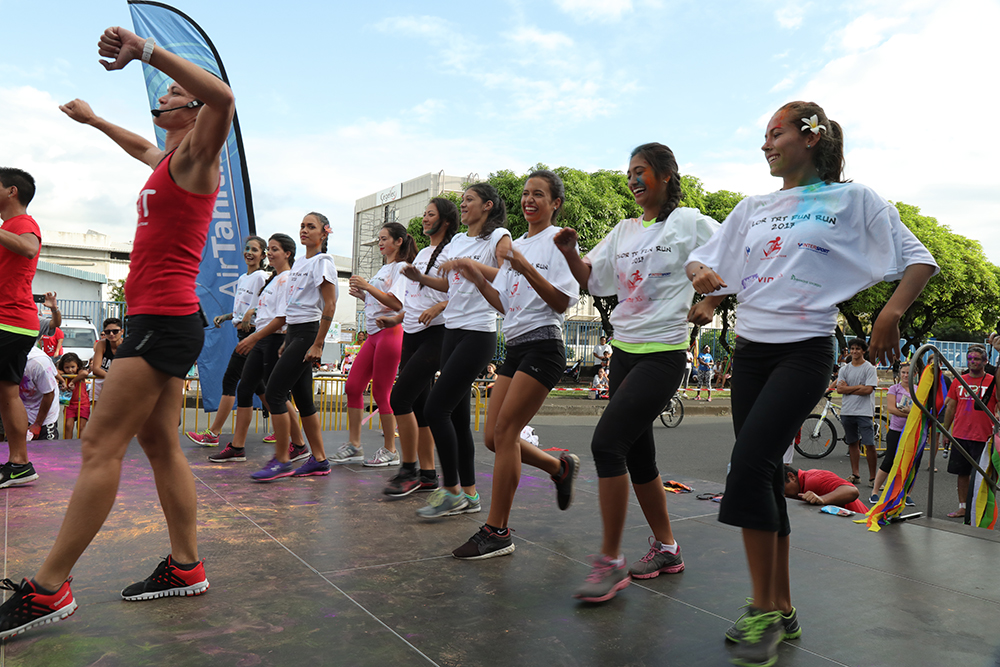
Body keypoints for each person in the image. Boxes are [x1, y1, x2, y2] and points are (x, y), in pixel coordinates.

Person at [0, 27, 237, 639]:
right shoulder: (168, 162)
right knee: (160, 445)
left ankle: (50, 588)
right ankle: (186, 566)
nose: (161, 101)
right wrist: (95, 120)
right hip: (159, 321)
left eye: (170, 96)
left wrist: (147, 51)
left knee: (100, 446)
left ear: (193, 111)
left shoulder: (199, 158)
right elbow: (139, 147)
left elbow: (225, 99)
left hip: (164, 322)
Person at [686, 100, 937, 667]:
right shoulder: (752, 208)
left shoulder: (853, 199)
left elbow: (917, 260)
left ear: (811, 136)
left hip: (804, 350)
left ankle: (762, 608)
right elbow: (709, 265)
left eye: (775, 133)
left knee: (748, 466)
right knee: (766, 474)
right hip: (750, 352)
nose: (765, 144)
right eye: (764, 136)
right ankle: (782, 607)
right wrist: (702, 282)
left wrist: (891, 312)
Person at [554, 143, 720, 602]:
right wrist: (569, 253)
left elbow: (740, 255)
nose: (632, 179)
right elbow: (591, 279)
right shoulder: (624, 230)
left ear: (666, 175)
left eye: (641, 170)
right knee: (639, 457)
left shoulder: (689, 222)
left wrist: (710, 300)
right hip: (624, 352)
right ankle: (668, 549)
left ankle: (610, 561)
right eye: (629, 172)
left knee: (607, 444)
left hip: (663, 354)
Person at [449, 170, 581, 560]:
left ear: (555, 203)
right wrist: (478, 278)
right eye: (525, 193)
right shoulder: (517, 245)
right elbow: (505, 303)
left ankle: (497, 531)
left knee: (506, 432)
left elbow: (562, 302)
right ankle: (559, 468)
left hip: (545, 346)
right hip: (517, 347)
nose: (529, 200)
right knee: (494, 437)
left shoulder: (559, 242)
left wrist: (525, 268)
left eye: (538, 194)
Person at [415, 183, 512, 518]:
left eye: (469, 199)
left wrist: (471, 266)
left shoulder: (498, 237)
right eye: (462, 200)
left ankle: (452, 490)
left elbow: (507, 278)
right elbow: (449, 284)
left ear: (487, 205)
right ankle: (469, 494)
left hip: (477, 332)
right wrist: (420, 277)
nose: (464, 205)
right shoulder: (457, 241)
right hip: (452, 331)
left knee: (434, 409)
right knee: (456, 417)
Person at [244, 213, 337, 481]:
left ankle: (282, 460)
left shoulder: (322, 262)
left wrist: (318, 343)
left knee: (274, 393)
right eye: (302, 226)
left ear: (324, 233)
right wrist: (287, 340)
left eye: (311, 226)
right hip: (295, 333)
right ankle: (319, 460)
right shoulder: (301, 264)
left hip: (308, 333)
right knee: (304, 401)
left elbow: (329, 304)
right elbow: (293, 308)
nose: (304, 230)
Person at [381, 199, 457, 497]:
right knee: (418, 407)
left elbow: (465, 291)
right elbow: (415, 299)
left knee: (399, 398)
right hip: (411, 334)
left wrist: (440, 306)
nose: (424, 218)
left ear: (446, 221)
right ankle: (427, 474)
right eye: (424, 214)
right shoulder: (424, 253)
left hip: (436, 335)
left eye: (430, 214)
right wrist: (397, 318)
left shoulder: (452, 251)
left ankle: (408, 470)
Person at [210, 233, 307, 463]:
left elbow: (282, 318)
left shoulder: (287, 279)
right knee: (245, 389)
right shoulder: (272, 279)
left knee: (276, 394)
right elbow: (261, 311)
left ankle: (298, 445)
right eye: (269, 249)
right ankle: (237, 447)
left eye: (274, 249)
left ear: (287, 254)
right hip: (260, 339)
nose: (269, 254)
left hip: (272, 340)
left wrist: (253, 337)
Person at [331, 222, 414, 468]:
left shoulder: (402, 268)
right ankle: (354, 445)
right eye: (379, 238)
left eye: (384, 238)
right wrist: (365, 295)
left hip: (390, 333)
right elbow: (382, 300)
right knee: (353, 386)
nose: (380, 242)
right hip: (373, 334)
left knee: (381, 393)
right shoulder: (385, 268)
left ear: (399, 241)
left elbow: (397, 304)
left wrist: (367, 287)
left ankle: (391, 450)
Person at [186, 236, 269, 446]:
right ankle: (288, 430)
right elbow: (241, 310)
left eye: (255, 250)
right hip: (242, 334)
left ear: (263, 255)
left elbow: (268, 305)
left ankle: (213, 433)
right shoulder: (242, 278)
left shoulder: (261, 277)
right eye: (247, 248)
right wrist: (225, 317)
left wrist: (252, 312)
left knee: (231, 380)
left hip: (253, 336)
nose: (249, 252)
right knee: (261, 387)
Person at [0, 167, 42, 490]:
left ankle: (20, 462)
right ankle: (19, 464)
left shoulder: (24, 224)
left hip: (11, 321)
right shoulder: (7, 228)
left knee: (7, 392)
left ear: (12, 191)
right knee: (6, 391)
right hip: (10, 321)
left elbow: (29, 248)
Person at [941, 343, 996, 522]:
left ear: (985, 361)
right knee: (962, 473)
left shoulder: (993, 381)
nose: (972, 362)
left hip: (985, 436)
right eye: (970, 358)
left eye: (977, 359)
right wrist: (946, 432)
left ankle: (980, 508)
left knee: (983, 475)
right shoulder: (958, 380)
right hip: (960, 435)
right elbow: (951, 407)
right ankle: (963, 507)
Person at [837, 338, 879, 486]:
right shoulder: (844, 369)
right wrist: (859, 387)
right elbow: (839, 389)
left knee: (869, 444)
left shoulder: (869, 368)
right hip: (847, 411)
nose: (854, 351)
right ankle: (855, 474)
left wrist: (848, 389)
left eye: (857, 349)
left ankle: (873, 478)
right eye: (852, 349)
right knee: (852, 443)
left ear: (863, 351)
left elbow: (868, 390)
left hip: (864, 412)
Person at [871, 361, 914, 504]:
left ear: (915, 374)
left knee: (910, 463)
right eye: (903, 372)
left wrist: (910, 413)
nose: (906, 375)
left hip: (911, 431)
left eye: (909, 373)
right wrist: (910, 414)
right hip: (896, 430)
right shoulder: (894, 388)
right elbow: (891, 409)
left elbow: (922, 410)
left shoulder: (917, 389)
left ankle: (906, 493)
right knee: (889, 460)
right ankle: (875, 491)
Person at [781, 465, 867, 514]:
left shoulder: (814, 479)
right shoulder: (798, 489)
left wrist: (823, 499)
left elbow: (852, 491)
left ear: (791, 477)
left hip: (864, 525)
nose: (783, 494)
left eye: (781, 487)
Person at [89, 317, 122, 404]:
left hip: (119, 383)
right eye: (107, 332)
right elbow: (96, 369)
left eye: (115, 331)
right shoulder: (101, 344)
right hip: (100, 382)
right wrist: (112, 377)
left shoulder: (126, 345)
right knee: (97, 410)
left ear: (122, 331)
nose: (111, 334)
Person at [57, 353, 91, 438]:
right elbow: (54, 371)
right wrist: (63, 380)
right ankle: (68, 444)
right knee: (68, 426)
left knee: (81, 427)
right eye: (67, 367)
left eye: (73, 367)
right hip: (69, 404)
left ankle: (80, 444)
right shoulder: (64, 375)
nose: (70, 370)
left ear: (78, 366)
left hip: (83, 403)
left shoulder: (79, 373)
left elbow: (85, 373)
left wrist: (72, 381)